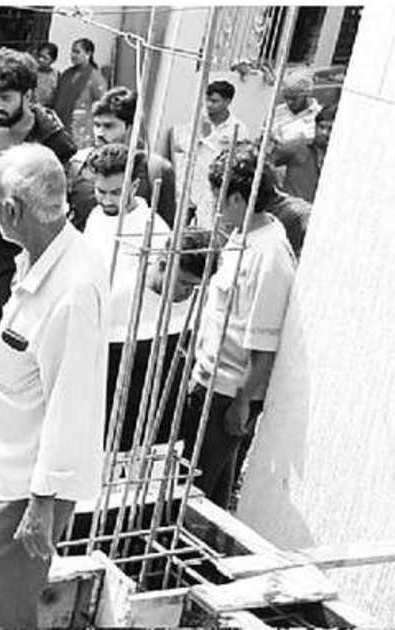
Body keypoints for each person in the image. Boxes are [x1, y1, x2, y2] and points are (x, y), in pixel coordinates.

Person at [0, 144, 107, 628]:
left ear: (10, 210)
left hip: (24, 490)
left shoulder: (73, 288)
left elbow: (73, 403)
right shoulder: (40, 259)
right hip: (0, 471)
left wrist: (42, 503)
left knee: (1, 615)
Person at [181, 142, 296, 510]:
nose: (214, 206)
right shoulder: (240, 234)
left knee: (196, 490)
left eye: (218, 197)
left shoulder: (268, 255)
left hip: (228, 393)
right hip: (209, 379)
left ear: (237, 197)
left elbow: (265, 346)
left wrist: (242, 403)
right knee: (206, 485)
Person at [0, 48, 78, 351]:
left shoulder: (54, 143)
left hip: (23, 254)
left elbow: (60, 207)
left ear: (28, 95)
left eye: (6, 98)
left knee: (8, 343)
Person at [81, 144, 190, 450]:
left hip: (141, 343)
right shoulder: (96, 216)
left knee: (131, 433)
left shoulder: (154, 230)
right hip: (102, 338)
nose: (106, 200)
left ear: (134, 185)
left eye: (115, 192)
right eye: (100, 191)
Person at [68, 87, 177, 230]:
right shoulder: (78, 165)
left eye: (108, 126)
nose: (99, 133)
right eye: (97, 125)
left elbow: (165, 230)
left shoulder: (155, 170)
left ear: (130, 128)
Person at [159, 80, 248, 229]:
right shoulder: (195, 121)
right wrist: (201, 134)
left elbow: (237, 158)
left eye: (214, 101)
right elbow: (180, 147)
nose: (209, 104)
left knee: (205, 228)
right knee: (177, 226)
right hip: (188, 184)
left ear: (227, 102)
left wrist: (208, 139)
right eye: (207, 100)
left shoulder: (237, 129)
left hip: (211, 188)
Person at [272, 104, 335, 203]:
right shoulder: (298, 147)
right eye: (321, 127)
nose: (324, 133)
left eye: (330, 129)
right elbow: (267, 162)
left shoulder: (341, 160)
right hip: (292, 208)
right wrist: (276, 189)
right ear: (315, 126)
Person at [51, 38, 107, 148]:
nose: (73, 55)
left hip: (81, 131)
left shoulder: (95, 77)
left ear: (88, 54)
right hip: (61, 126)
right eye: (72, 51)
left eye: (77, 52)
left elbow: (102, 105)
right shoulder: (67, 74)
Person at [271, 70, 322, 147]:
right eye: (286, 97)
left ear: (306, 95)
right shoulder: (277, 111)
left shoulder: (318, 115)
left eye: (294, 98)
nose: (289, 102)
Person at [32, 42, 59, 108]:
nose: (40, 59)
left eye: (45, 58)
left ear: (53, 60)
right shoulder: (31, 73)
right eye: (39, 56)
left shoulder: (56, 76)